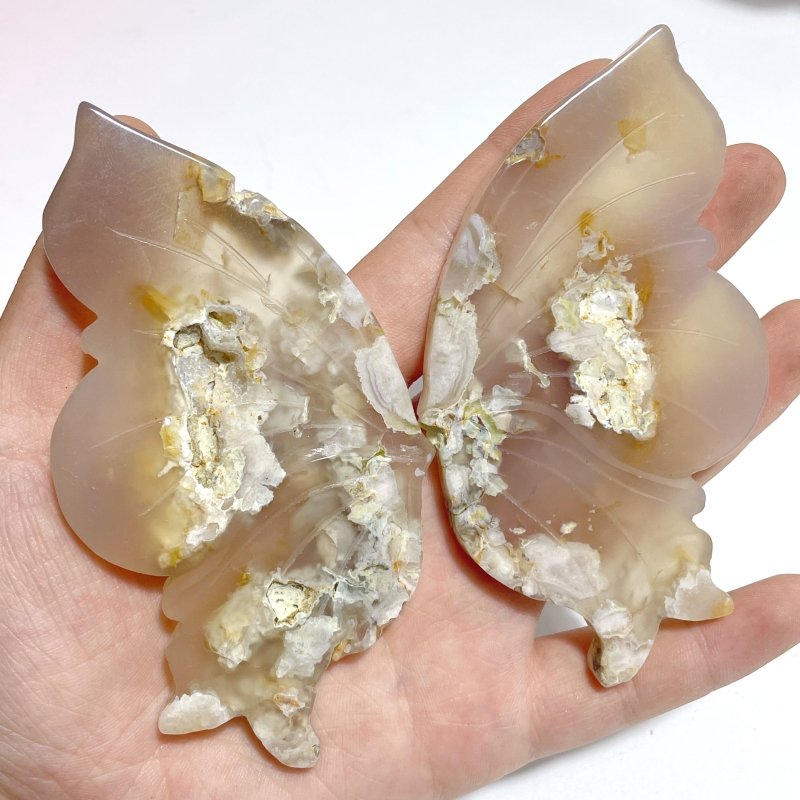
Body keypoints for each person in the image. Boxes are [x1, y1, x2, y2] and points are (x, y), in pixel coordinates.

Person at [1, 59, 798, 799]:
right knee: (267, 586)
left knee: (604, 494)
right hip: (296, 494)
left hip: (523, 436)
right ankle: (253, 674)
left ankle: (642, 582)